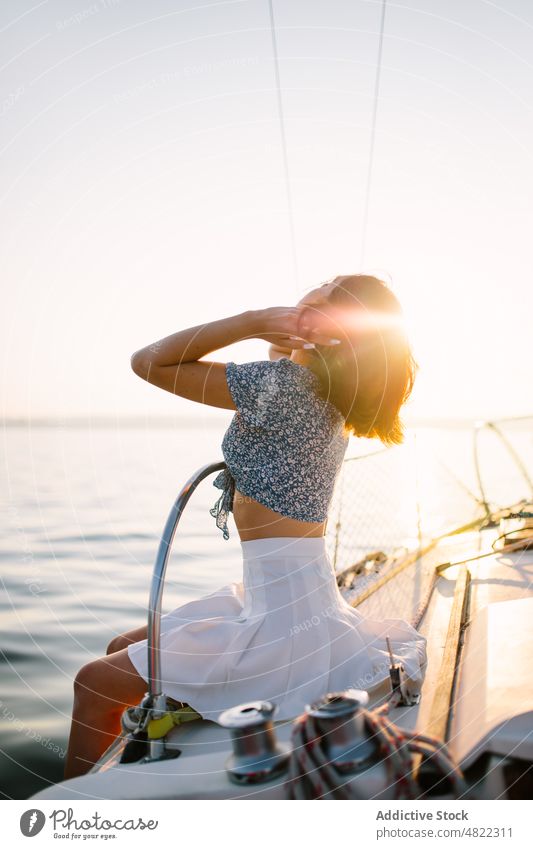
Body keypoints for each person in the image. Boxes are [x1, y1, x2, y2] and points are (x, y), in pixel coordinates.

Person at [64, 274, 427, 779]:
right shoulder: (323, 391)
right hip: (295, 597)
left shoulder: (280, 388)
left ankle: (73, 808)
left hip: (278, 624)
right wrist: (290, 333)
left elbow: (147, 362)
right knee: (120, 650)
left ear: (328, 330)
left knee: (93, 681)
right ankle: (187, 702)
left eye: (322, 292)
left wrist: (252, 320)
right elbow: (283, 352)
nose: (308, 291)